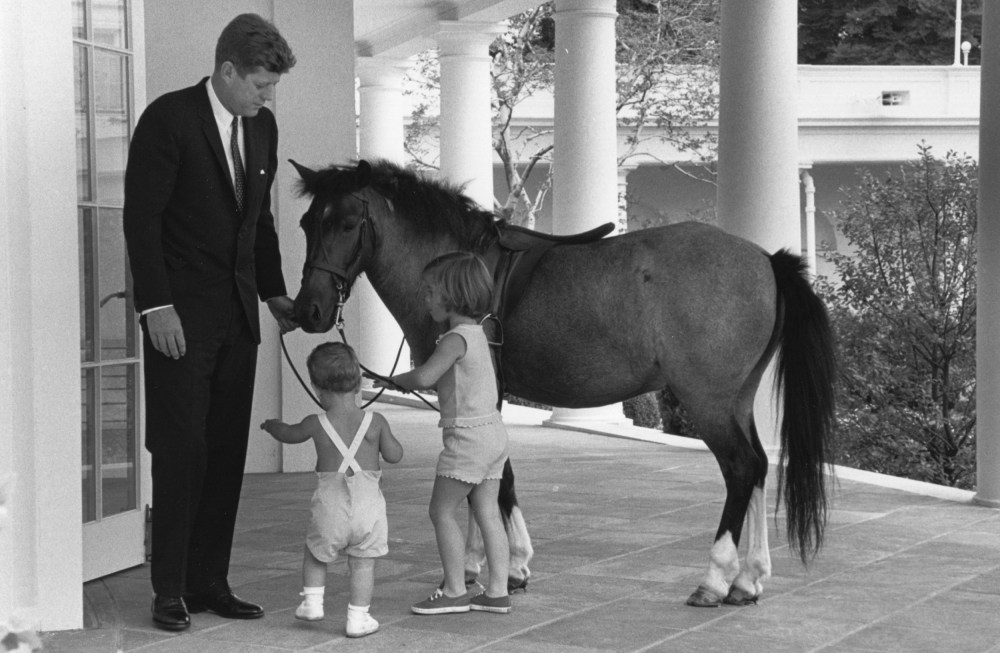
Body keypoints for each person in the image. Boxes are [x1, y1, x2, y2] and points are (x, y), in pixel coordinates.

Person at [122, 13, 298, 632]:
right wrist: (155, 305)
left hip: (237, 319)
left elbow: (260, 221)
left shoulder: (263, 128)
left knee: (225, 451)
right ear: (227, 71)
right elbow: (141, 221)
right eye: (260, 84)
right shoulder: (168, 120)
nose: (267, 97)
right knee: (181, 450)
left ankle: (209, 582)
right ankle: (168, 587)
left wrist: (275, 294)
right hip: (178, 318)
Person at [373, 251, 513, 615]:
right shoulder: (480, 334)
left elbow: (423, 377)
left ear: (453, 294)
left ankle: (453, 590)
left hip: (467, 439)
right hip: (492, 435)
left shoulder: (455, 338)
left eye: (430, 291)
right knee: (487, 511)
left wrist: (388, 380)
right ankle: (497, 591)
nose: (425, 298)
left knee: (441, 511)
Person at [261, 342, 402, 637]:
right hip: (369, 510)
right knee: (363, 564)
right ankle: (358, 618)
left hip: (329, 507)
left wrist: (273, 426)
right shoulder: (375, 421)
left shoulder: (315, 423)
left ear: (317, 388)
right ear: (358, 383)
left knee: (315, 553)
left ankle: (312, 602)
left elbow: (288, 434)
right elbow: (394, 455)